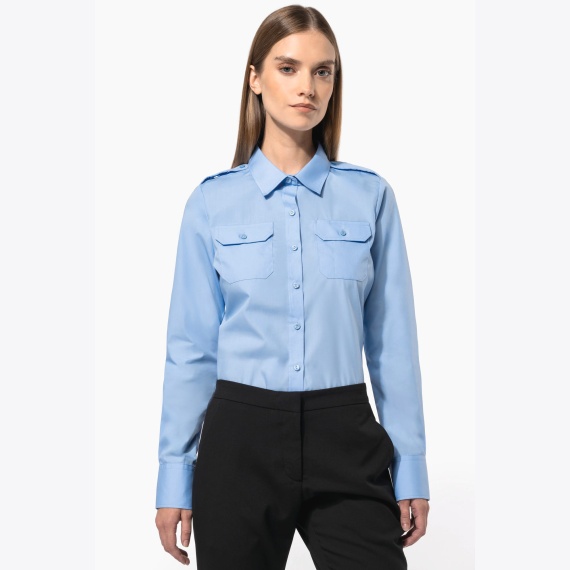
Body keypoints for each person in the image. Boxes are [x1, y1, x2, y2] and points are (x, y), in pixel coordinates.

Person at [155, 4, 430, 568]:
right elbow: (191, 349)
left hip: (345, 434)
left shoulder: (371, 197)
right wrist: (173, 476)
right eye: (288, 68)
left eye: (323, 71)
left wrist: (411, 467)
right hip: (239, 441)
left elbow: (392, 345)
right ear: (255, 78)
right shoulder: (211, 202)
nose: (308, 86)